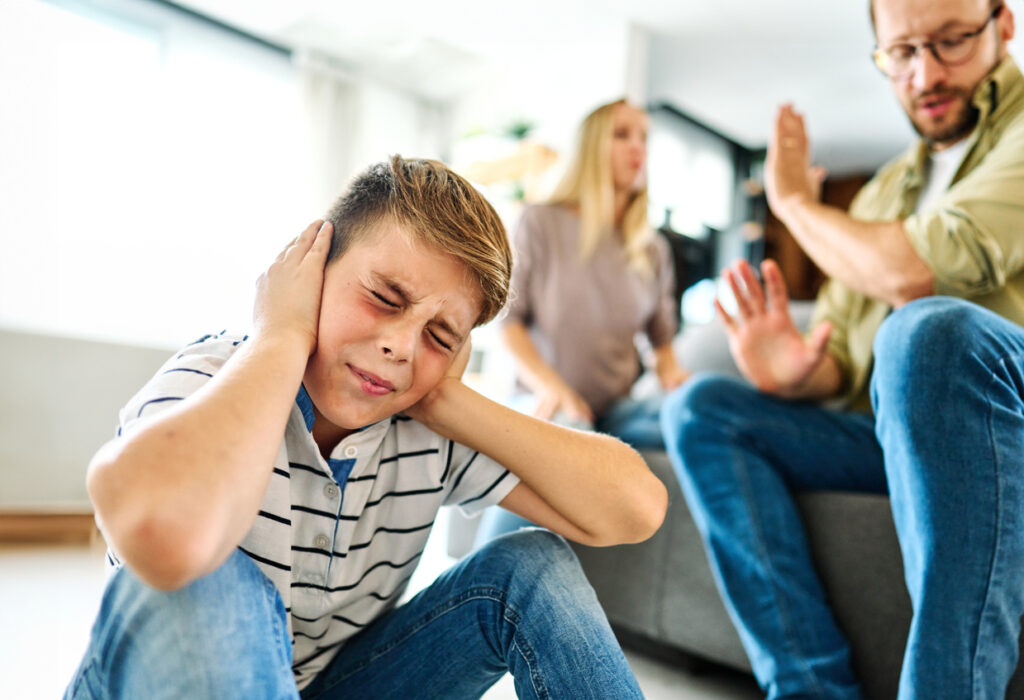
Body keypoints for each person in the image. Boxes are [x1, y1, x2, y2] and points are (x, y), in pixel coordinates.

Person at [65, 156, 668, 699]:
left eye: (439, 337)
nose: (401, 346)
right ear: (313, 271)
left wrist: (445, 401)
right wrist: (281, 336)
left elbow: (635, 508)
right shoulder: (214, 378)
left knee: (533, 566)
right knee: (212, 578)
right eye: (384, 297)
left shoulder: (424, 424)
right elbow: (166, 535)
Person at [660, 0, 1024, 698]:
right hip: (898, 428)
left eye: (950, 41)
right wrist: (798, 374)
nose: (925, 74)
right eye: (902, 53)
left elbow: (918, 272)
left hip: (1009, 416)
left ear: (1003, 25)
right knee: (701, 407)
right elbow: (847, 362)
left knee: (925, 330)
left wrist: (794, 204)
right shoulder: (884, 191)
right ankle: (808, 689)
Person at [475, 99, 689, 543]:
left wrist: (679, 384)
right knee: (567, 439)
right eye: (623, 134)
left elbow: (662, 343)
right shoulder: (541, 222)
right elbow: (510, 324)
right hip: (548, 403)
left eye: (644, 138)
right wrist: (555, 389)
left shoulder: (652, 249)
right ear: (591, 147)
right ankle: (487, 568)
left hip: (618, 409)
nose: (638, 148)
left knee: (698, 415)